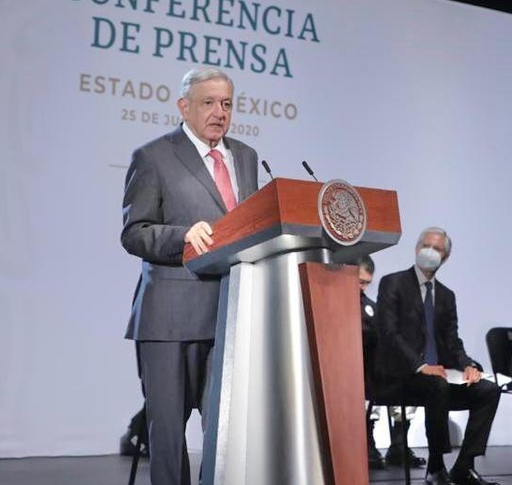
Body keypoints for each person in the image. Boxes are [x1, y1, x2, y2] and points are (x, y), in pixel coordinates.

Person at [121, 67, 259, 485]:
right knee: (167, 436)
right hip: (170, 318)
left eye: (227, 104)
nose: (220, 112)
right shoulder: (153, 157)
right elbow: (134, 232)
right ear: (184, 107)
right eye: (209, 103)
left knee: (228, 436)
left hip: (230, 317)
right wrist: (182, 235)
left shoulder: (246, 156)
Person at [376, 227, 501, 485]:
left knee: (488, 390)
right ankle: (435, 467)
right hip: (403, 375)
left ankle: (464, 466)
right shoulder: (393, 283)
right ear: (416, 248)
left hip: (438, 379)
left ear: (445, 257)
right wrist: (420, 365)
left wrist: (468, 365)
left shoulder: (446, 295)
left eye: (437, 249)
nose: (430, 252)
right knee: (437, 384)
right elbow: (389, 334)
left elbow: (452, 342)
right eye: (426, 246)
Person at [358, 256, 425, 470]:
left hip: (379, 370)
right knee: (368, 383)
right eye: (360, 281)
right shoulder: (336, 304)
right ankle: (367, 445)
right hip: (357, 371)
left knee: (410, 373)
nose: (363, 287)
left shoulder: (372, 308)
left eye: (367, 283)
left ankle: (399, 445)